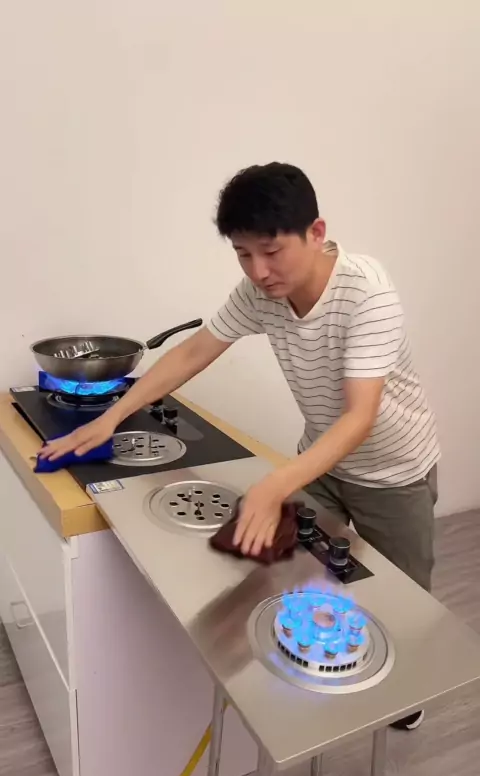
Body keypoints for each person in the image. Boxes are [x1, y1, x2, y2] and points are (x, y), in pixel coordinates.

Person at [41, 163, 439, 729]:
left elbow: (359, 419)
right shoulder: (260, 292)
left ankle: (406, 699)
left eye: (271, 252)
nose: (259, 271)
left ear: (316, 232)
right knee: (296, 571)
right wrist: (113, 416)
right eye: (243, 254)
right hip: (319, 458)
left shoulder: (366, 292)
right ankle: (313, 669)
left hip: (393, 471)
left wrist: (275, 484)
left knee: (403, 597)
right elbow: (193, 351)